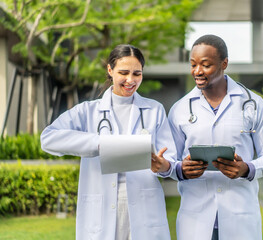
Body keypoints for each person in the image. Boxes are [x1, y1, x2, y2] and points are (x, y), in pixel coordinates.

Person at [41, 44, 175, 240]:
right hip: (101, 206)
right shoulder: (87, 111)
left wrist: (164, 165)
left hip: (144, 206)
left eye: (137, 73)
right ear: (110, 70)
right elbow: (48, 138)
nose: (130, 80)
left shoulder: (154, 110)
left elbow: (170, 157)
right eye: (124, 72)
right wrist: (99, 143)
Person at [168, 34, 263, 240]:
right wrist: (180, 169)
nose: (197, 71)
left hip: (239, 215)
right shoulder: (180, 109)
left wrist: (247, 169)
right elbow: (167, 162)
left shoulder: (252, 104)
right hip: (195, 217)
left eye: (205, 65)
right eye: (193, 64)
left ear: (224, 63)